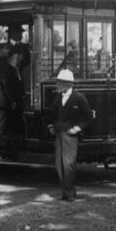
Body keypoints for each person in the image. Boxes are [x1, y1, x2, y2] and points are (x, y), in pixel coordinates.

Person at [47, 69, 92, 201]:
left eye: (59, 83)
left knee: (69, 164)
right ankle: (66, 192)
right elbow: (52, 115)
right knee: (59, 164)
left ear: (67, 84)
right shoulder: (58, 98)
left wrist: (77, 129)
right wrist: (51, 126)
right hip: (59, 133)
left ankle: (69, 193)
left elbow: (88, 118)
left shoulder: (79, 98)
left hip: (71, 136)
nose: (57, 86)